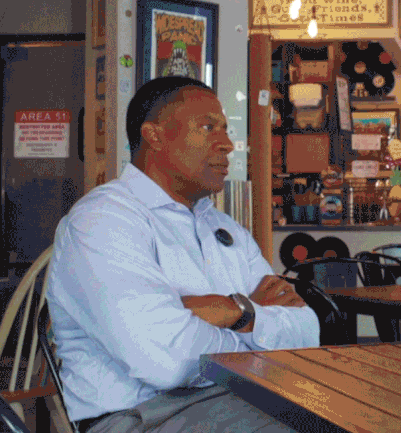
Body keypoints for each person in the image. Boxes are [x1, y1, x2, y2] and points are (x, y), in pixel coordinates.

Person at [47, 77, 319, 432]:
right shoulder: (103, 221)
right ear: (154, 135)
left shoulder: (225, 228)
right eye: (208, 127)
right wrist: (250, 320)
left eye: (224, 129)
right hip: (141, 417)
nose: (227, 144)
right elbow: (167, 362)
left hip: (239, 396)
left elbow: (307, 333)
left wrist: (233, 311)